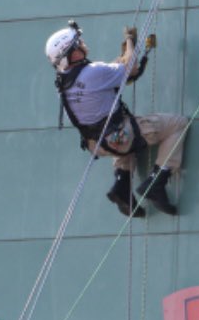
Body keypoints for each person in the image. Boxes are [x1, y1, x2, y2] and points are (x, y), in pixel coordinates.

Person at [45, 21, 185, 217]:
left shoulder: (64, 83)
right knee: (177, 124)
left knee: (122, 140)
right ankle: (156, 181)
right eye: (78, 43)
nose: (83, 43)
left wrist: (124, 59)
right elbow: (131, 68)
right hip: (118, 137)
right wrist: (130, 40)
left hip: (97, 143)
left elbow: (107, 76)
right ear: (73, 53)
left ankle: (122, 183)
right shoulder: (93, 72)